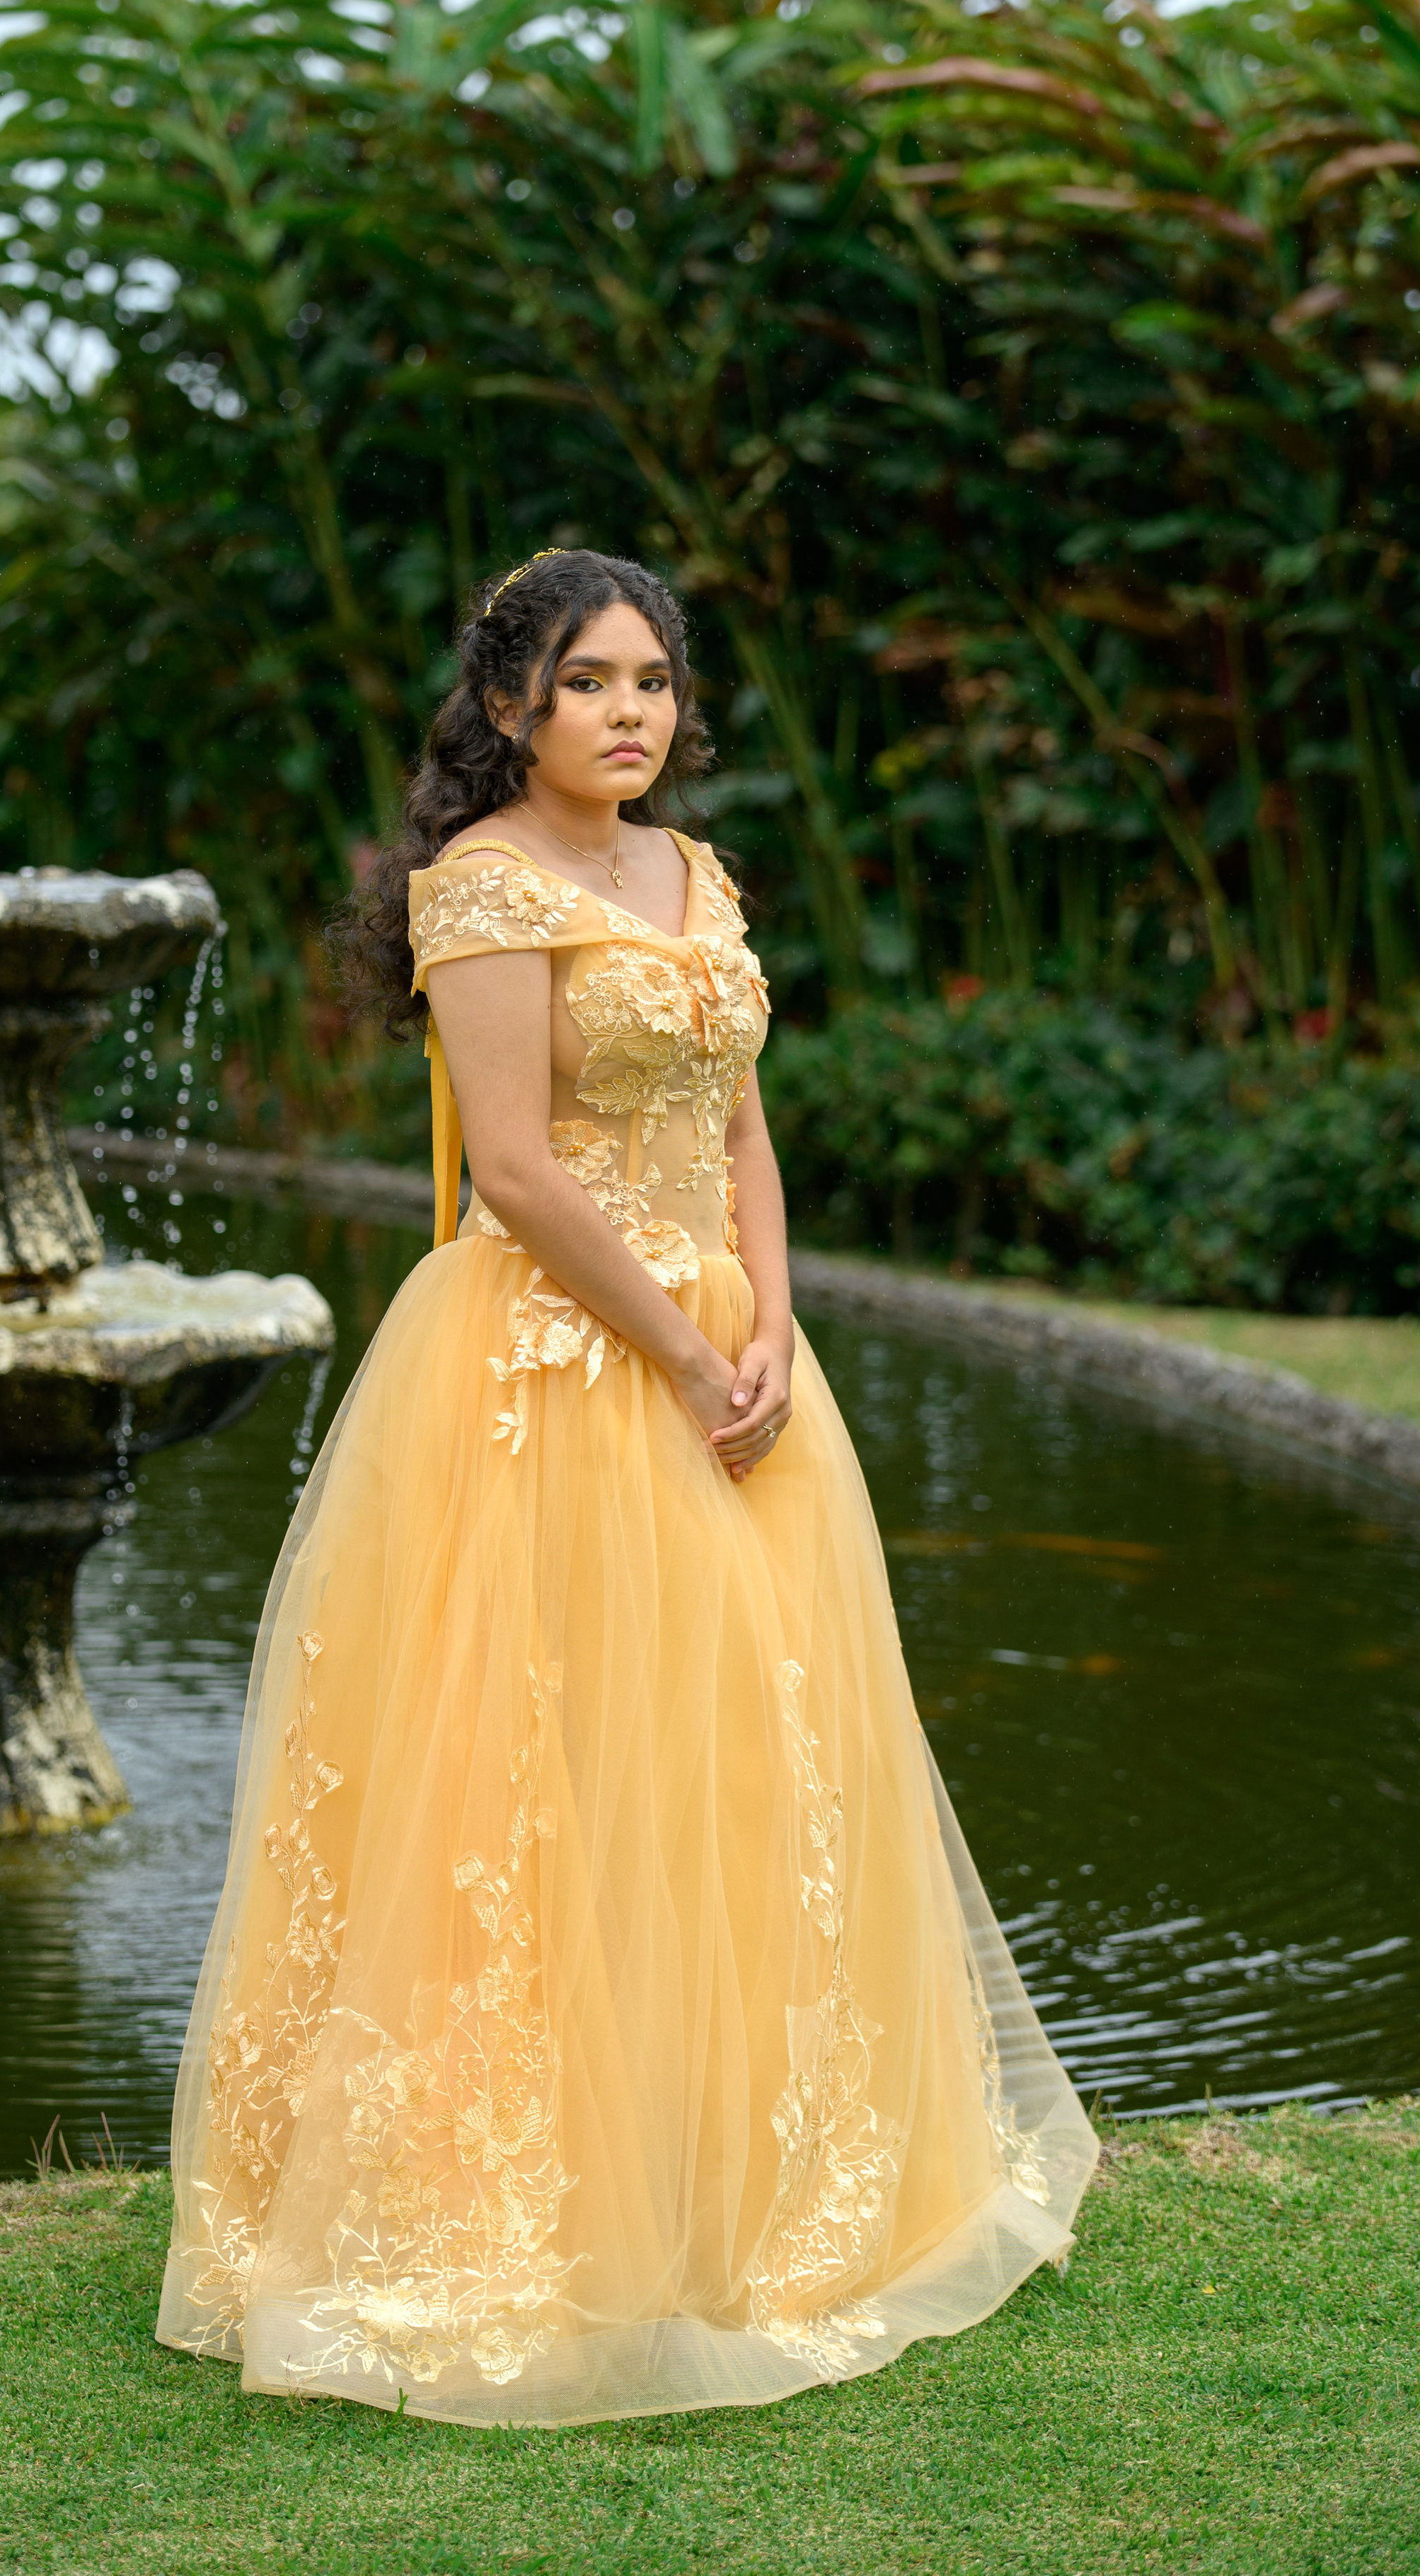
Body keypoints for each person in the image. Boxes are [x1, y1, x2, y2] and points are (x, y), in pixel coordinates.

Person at [156, 547, 1096, 2427]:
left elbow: (742, 1119)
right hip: (554, 1378)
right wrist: (674, 1352)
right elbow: (511, 1164)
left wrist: (774, 1331)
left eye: (653, 681)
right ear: (510, 704)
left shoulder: (697, 875)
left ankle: (741, 2190)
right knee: (542, 1785)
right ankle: (529, 2212)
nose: (631, 712)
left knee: (755, 1764)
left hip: (739, 1364)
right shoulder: (482, 889)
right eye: (590, 681)